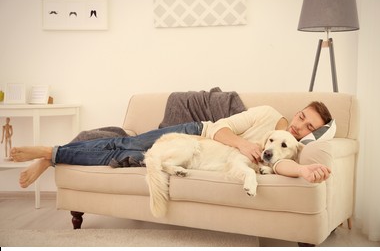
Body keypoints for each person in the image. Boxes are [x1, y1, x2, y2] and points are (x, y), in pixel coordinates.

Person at [11, 101, 332, 188]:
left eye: (309, 127)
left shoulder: (289, 147)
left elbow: (281, 165)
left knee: (121, 152)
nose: (299, 124)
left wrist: (304, 170)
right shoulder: (268, 114)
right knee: (125, 141)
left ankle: (52, 155)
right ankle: (49, 154)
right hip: (195, 133)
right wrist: (240, 145)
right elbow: (221, 127)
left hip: (197, 156)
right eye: (302, 116)